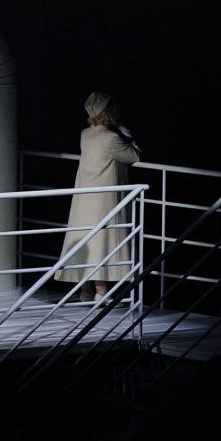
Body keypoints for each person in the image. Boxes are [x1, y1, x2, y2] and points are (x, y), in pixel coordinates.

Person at [54, 91, 143, 303]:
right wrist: (126, 133)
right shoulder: (110, 137)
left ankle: (86, 290)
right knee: (102, 240)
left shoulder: (86, 134)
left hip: (86, 195)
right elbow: (134, 156)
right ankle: (100, 293)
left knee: (87, 238)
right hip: (103, 198)